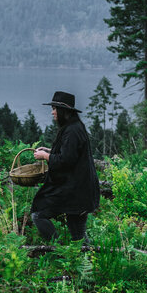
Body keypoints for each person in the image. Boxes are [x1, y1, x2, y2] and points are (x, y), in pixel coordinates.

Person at [30, 91, 100, 242]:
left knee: (38, 214)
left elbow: (66, 161)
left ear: (64, 111)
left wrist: (45, 156)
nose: (53, 112)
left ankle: (58, 249)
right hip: (79, 190)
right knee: (78, 235)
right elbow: (69, 154)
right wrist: (49, 151)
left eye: (55, 109)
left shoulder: (72, 131)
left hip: (75, 191)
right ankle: (82, 259)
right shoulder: (74, 127)